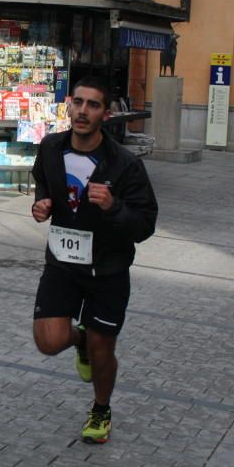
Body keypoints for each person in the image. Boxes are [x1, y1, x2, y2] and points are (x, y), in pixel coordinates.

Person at [30, 76, 158, 444]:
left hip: (108, 269)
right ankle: (79, 340)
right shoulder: (51, 147)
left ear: (106, 113)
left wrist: (113, 207)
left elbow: (145, 224)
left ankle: (101, 408)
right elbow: (43, 180)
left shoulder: (125, 165)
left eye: (94, 105)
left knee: (104, 350)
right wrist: (43, 204)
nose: (83, 111)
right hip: (62, 263)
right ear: (69, 104)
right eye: (79, 103)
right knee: (49, 341)